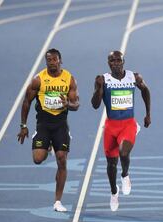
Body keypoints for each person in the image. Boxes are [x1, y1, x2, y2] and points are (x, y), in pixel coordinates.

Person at [17, 48, 79, 212]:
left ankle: (58, 201)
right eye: (49, 60)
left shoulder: (69, 79)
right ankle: (48, 145)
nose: (52, 63)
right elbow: (26, 102)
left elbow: (76, 104)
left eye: (54, 60)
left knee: (62, 160)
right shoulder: (39, 80)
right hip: (43, 123)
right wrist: (23, 126)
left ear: (60, 60)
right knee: (38, 159)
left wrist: (68, 105)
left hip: (60, 124)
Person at [92, 50, 151, 211]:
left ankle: (125, 175)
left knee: (123, 153)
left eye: (118, 60)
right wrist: (99, 89)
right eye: (112, 61)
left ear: (123, 62)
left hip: (128, 124)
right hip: (111, 126)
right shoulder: (103, 79)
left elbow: (145, 90)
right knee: (111, 164)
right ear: (108, 63)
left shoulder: (134, 77)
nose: (116, 63)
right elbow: (95, 105)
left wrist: (147, 114)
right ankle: (113, 192)